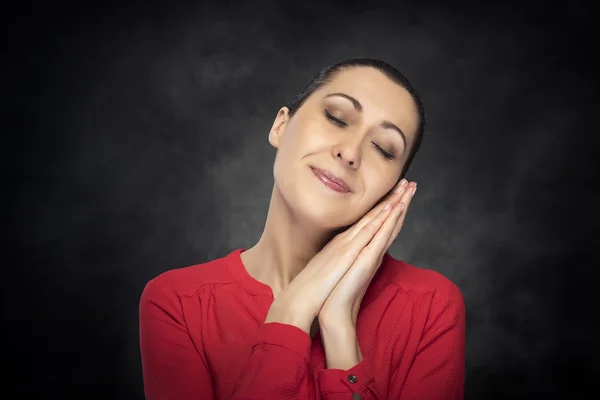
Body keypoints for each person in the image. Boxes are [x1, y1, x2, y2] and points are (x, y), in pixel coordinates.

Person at [139, 58, 466, 399]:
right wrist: (292, 312)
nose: (350, 152)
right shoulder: (177, 302)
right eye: (337, 118)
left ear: (393, 188)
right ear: (281, 126)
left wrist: (339, 326)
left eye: (383, 149)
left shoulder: (430, 306)